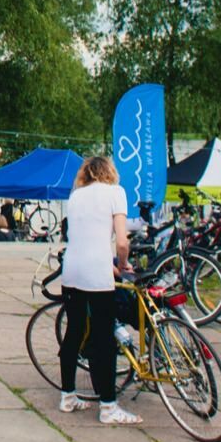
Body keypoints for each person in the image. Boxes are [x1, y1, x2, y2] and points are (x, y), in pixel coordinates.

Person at [57, 154, 139, 425]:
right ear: (109, 172)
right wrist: (123, 264)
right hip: (96, 273)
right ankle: (108, 406)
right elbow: (122, 242)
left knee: (74, 333)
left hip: (72, 269)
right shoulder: (116, 192)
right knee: (103, 339)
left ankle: (68, 395)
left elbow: (82, 237)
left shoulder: (77, 197)